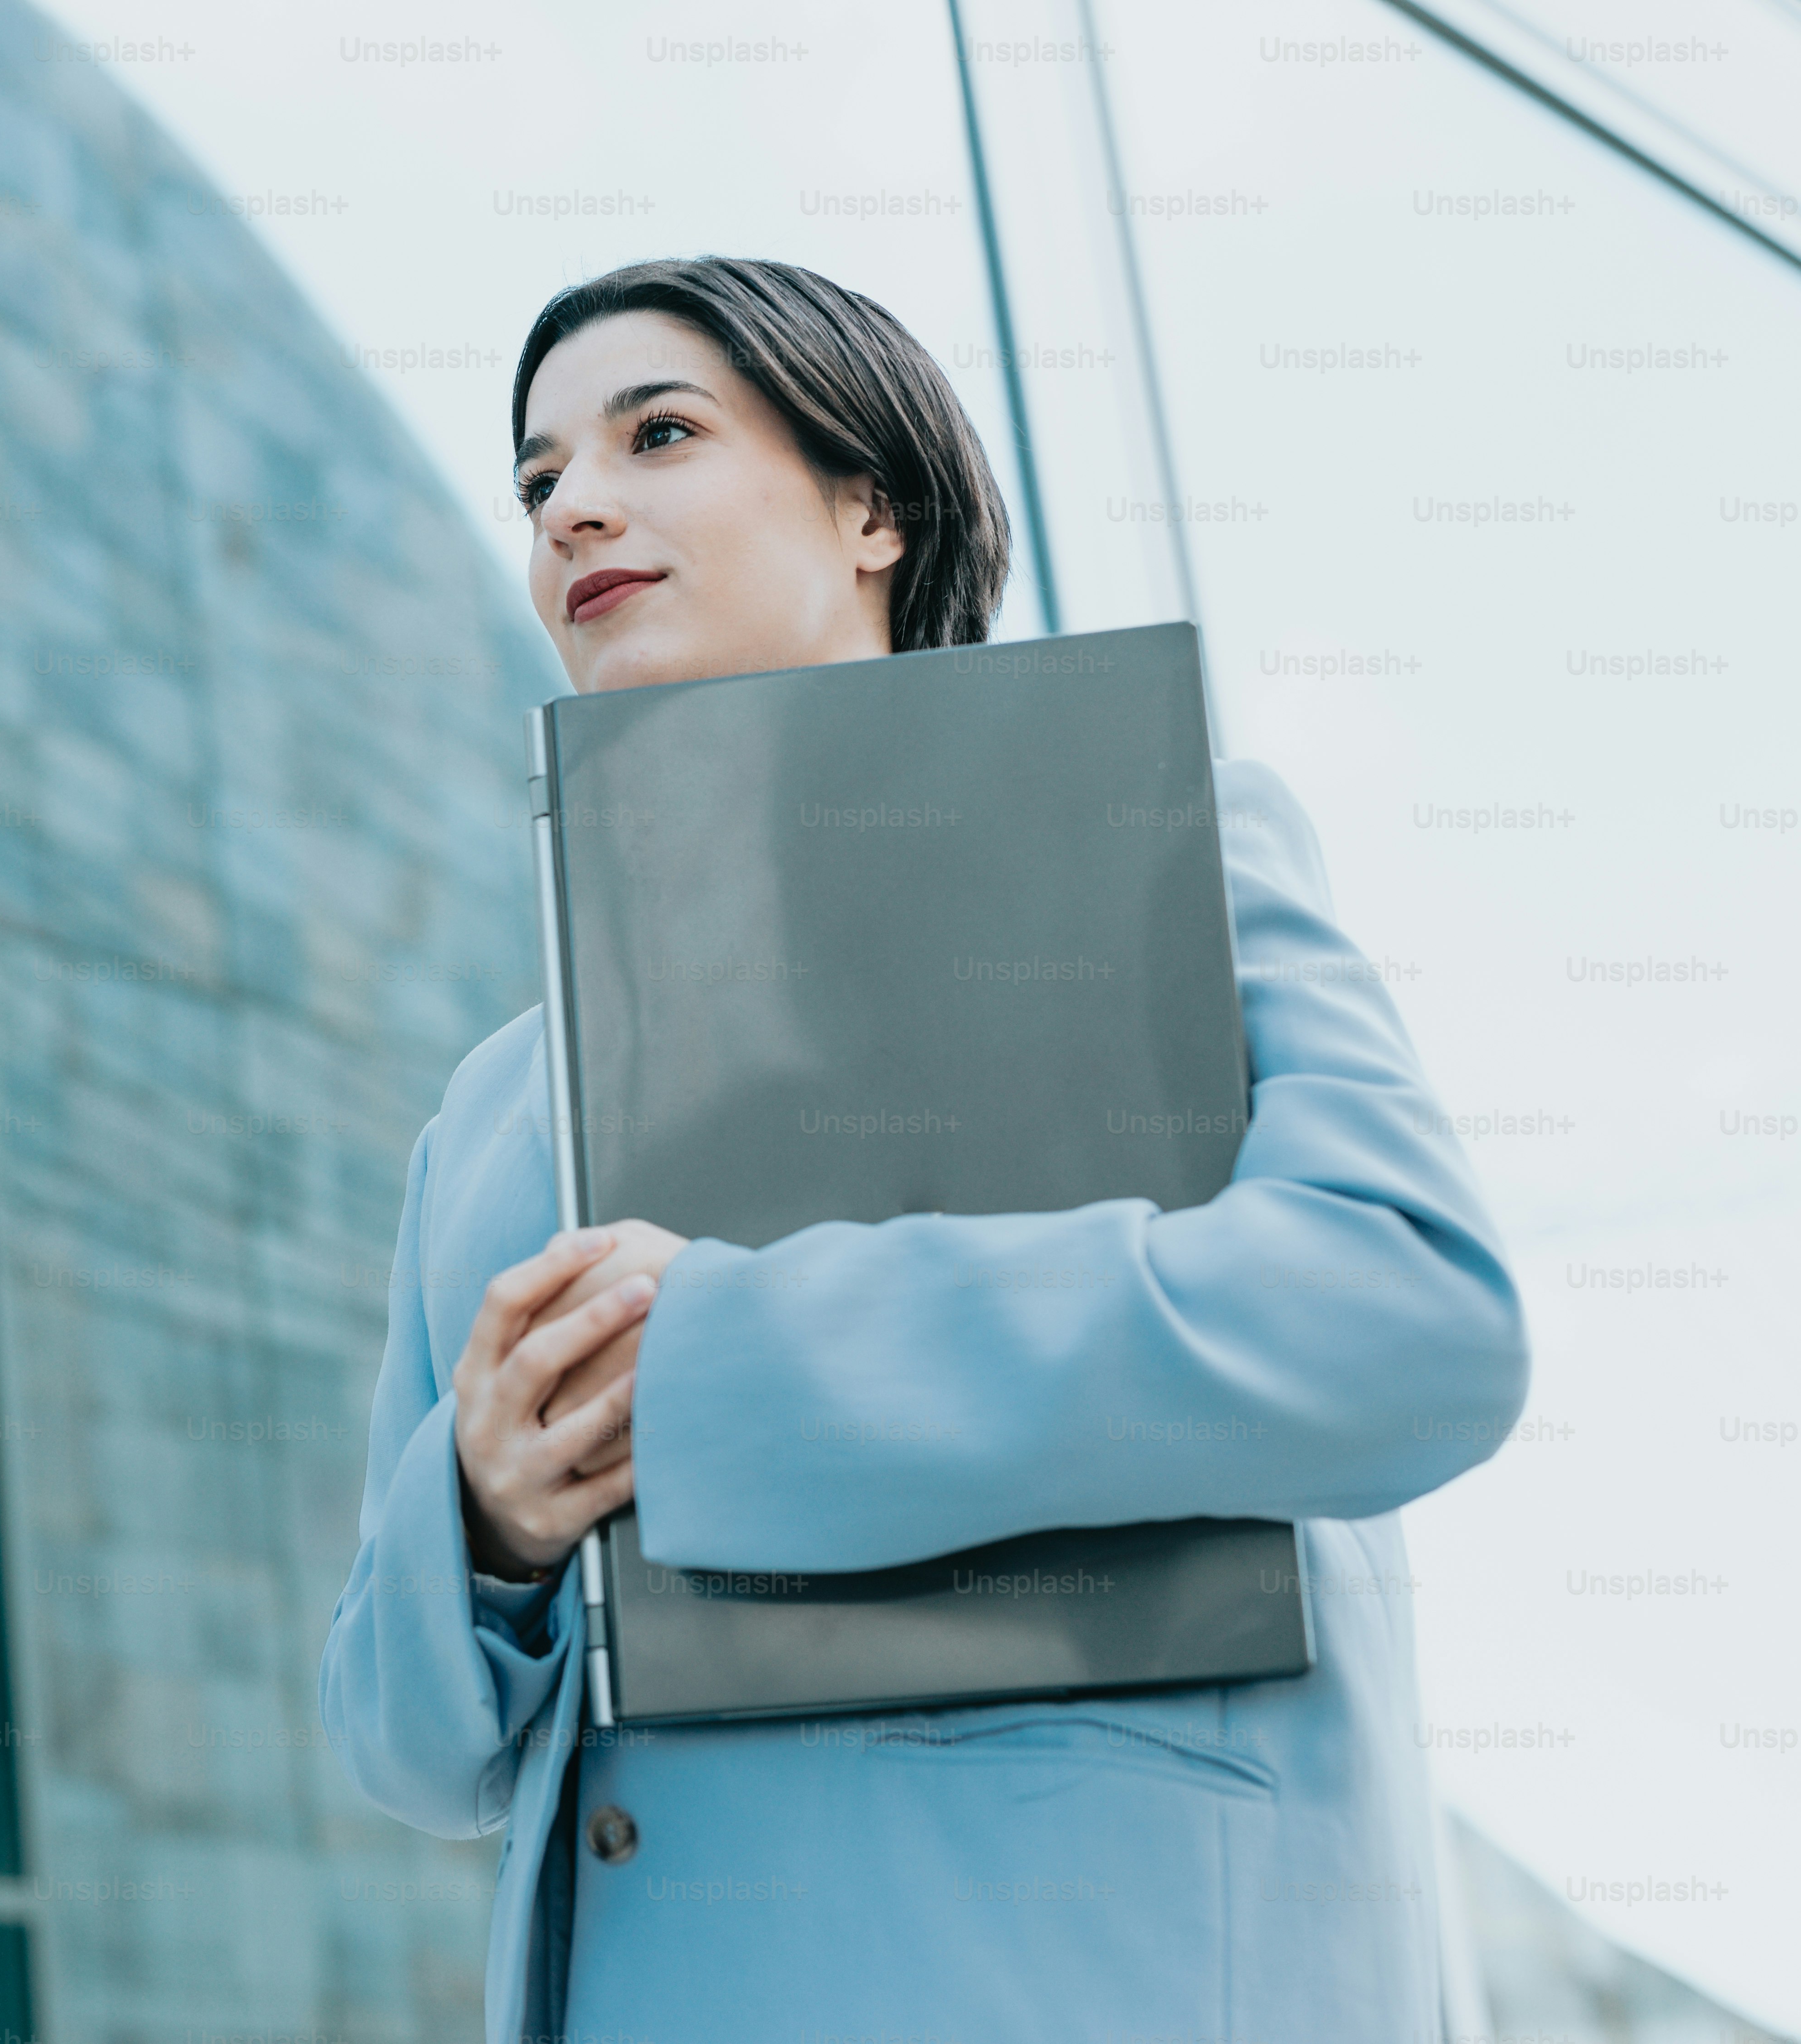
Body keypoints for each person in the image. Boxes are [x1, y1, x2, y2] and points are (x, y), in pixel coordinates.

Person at [317, 256, 1530, 2044]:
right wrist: (486, 1525)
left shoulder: (1136, 838)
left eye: (658, 432)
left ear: (871, 503)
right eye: (537, 476)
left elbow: (1409, 1320)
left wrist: (722, 1357)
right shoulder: (496, 1113)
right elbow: (403, 1745)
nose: (575, 504)